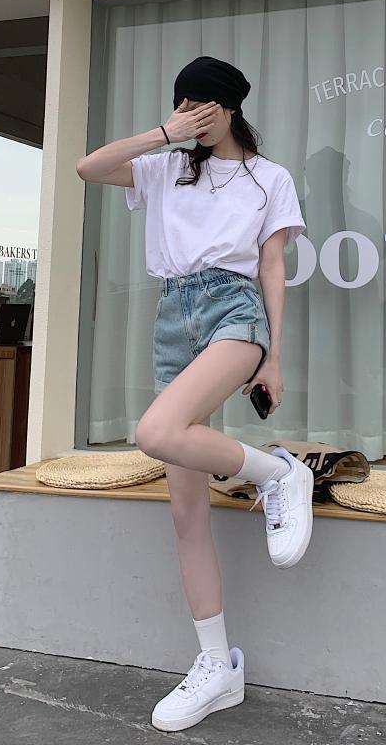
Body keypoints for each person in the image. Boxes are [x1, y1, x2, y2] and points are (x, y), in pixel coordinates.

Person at [75, 55, 313, 732]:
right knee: (186, 513)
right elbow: (88, 168)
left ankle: (280, 474)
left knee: (155, 432)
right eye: (182, 105)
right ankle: (217, 666)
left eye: (201, 106)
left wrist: (274, 356)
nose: (191, 116)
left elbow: (272, 267)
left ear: (229, 107)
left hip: (234, 309)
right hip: (173, 315)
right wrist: (164, 133)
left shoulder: (269, 178)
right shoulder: (165, 167)